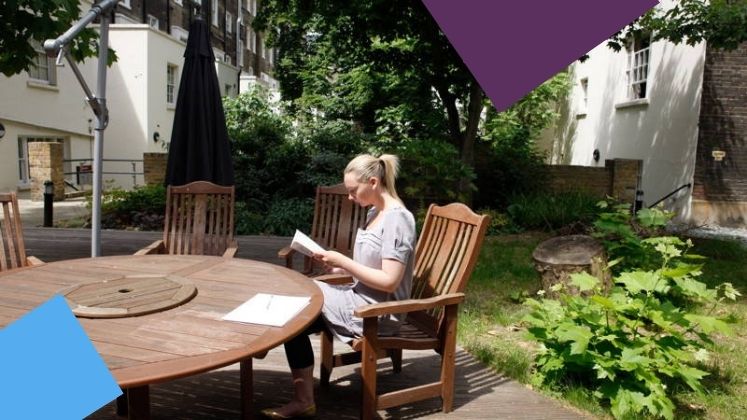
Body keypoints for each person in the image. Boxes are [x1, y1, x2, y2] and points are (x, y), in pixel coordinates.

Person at [260, 154, 417, 419]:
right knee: (295, 317)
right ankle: (303, 399)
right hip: (357, 298)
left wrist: (343, 260)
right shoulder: (374, 212)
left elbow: (389, 281)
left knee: (300, 298)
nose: (350, 197)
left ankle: (268, 340)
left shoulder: (397, 219)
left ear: (373, 182)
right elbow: (370, 265)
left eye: (353, 191)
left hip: (377, 313)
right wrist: (338, 269)